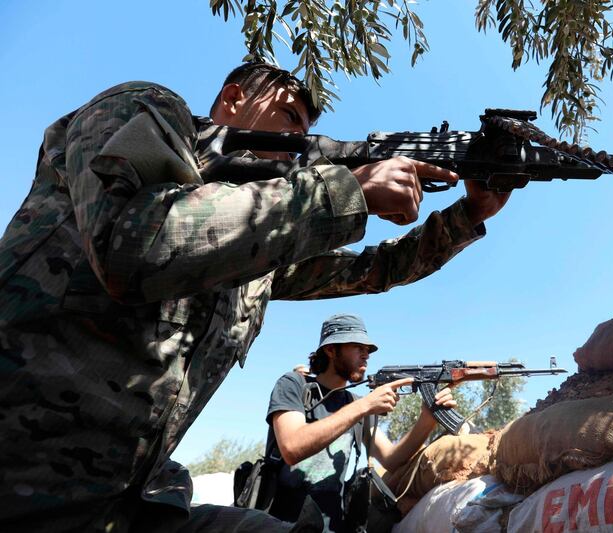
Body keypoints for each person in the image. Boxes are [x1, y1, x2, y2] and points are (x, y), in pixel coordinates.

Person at [0, 62, 509, 532]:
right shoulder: (147, 109)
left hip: (130, 502)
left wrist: (469, 216)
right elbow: (131, 244)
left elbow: (371, 270)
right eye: (288, 116)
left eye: (305, 135)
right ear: (233, 97)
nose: (295, 144)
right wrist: (342, 191)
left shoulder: (259, 249)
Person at [264, 314, 455, 531]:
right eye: (357, 347)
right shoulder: (294, 385)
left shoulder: (355, 404)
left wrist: (427, 418)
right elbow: (291, 447)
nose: (366, 356)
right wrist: (364, 406)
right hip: (280, 525)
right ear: (330, 350)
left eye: (368, 350)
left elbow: (391, 460)